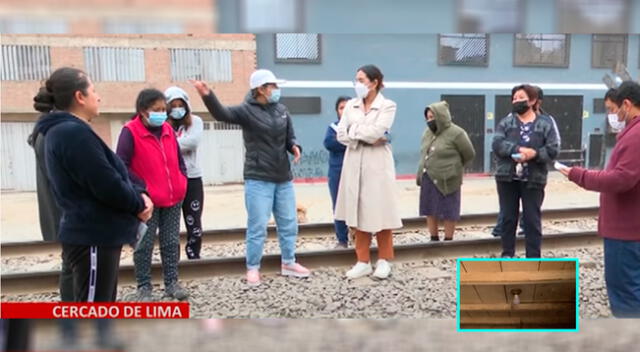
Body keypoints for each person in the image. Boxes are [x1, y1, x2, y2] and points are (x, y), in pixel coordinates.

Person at [31, 67, 153, 302]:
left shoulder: (71, 130)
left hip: (96, 234)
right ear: (79, 97)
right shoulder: (70, 133)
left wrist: (140, 192)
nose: (98, 97)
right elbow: (105, 183)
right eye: (93, 91)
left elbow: (114, 171)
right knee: (94, 304)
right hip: (93, 236)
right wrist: (138, 203)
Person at [190, 69, 311, 286]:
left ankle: (289, 262)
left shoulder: (282, 110)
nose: (277, 90)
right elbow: (222, 114)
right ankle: (253, 268)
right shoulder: (246, 111)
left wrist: (294, 146)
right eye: (273, 86)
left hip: (283, 177)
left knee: (289, 223)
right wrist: (207, 95)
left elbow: (289, 136)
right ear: (261, 90)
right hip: (258, 178)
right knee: (257, 226)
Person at [559, 81, 640, 317]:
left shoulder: (636, 135)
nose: (612, 115)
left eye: (612, 109)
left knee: (626, 293)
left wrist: (578, 175)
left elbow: (621, 179)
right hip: (630, 227)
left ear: (626, 103)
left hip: (627, 231)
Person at [117, 89, 189, 301]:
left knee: (170, 241)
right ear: (142, 111)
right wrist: (141, 189)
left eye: (163, 110)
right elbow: (121, 165)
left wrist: (181, 180)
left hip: (173, 197)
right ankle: (144, 286)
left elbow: (178, 159)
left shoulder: (167, 128)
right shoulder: (129, 131)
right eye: (156, 110)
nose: (161, 114)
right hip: (146, 201)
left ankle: (172, 283)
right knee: (144, 244)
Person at [335, 64, 403, 280]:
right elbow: (340, 134)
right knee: (357, 212)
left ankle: (384, 260)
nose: (358, 84)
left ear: (374, 83)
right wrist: (362, 135)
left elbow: (377, 132)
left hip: (377, 164)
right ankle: (362, 261)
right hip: (354, 161)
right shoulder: (351, 106)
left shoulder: (388, 105)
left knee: (381, 211)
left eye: (361, 80)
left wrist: (356, 133)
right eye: (356, 79)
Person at [492, 84, 559, 258]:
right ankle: (507, 254)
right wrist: (518, 149)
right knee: (508, 218)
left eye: (521, 97)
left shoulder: (545, 123)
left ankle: (533, 257)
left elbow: (553, 149)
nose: (516, 101)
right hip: (507, 178)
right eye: (514, 98)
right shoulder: (506, 122)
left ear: (532, 100)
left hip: (534, 179)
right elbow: (497, 143)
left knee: (532, 220)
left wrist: (534, 154)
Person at [416, 101, 475, 241]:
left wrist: (454, 169)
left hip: (449, 178)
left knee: (449, 209)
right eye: (428, 117)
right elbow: (424, 152)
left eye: (433, 117)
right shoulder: (427, 133)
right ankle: (433, 237)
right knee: (429, 208)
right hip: (429, 175)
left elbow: (469, 154)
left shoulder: (457, 133)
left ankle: (449, 239)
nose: (430, 120)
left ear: (441, 116)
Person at [165, 86, 205, 260]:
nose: (177, 109)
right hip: (170, 179)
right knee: (170, 223)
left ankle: (193, 254)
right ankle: (172, 259)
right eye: (172, 105)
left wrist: (169, 144)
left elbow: (193, 142)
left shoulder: (196, 121)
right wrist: (177, 144)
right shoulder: (163, 124)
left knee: (194, 220)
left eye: (180, 105)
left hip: (192, 178)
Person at [323, 96, 351, 248]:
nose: (344, 110)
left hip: (356, 170)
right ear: (337, 111)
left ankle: (360, 237)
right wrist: (351, 142)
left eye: (347, 106)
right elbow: (329, 143)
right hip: (337, 171)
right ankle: (342, 239)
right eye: (341, 107)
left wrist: (345, 140)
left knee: (360, 204)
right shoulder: (333, 127)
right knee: (339, 205)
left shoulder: (360, 126)